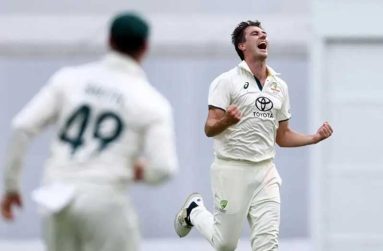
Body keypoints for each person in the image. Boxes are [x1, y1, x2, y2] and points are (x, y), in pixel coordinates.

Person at [1, 12, 178, 251]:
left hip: (57, 195)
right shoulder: (151, 101)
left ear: (109, 41)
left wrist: (11, 187)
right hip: (105, 198)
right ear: (145, 47)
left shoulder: (69, 79)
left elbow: (22, 126)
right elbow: (164, 168)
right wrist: (141, 171)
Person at [174, 20, 333, 251]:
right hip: (231, 169)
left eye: (265, 34)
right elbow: (209, 128)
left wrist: (314, 138)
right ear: (242, 46)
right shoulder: (226, 81)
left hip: (266, 172)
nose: (263, 37)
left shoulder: (279, 86)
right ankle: (194, 211)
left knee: (267, 245)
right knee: (225, 245)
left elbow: (283, 136)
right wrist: (227, 120)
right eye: (255, 34)